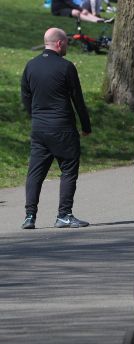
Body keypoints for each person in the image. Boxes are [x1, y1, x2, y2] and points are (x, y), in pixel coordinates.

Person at [20, 28, 92, 230]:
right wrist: (86, 126)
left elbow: (25, 96)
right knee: (68, 170)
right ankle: (64, 215)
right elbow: (78, 99)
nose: (67, 46)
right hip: (63, 128)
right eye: (66, 43)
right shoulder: (66, 67)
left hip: (39, 129)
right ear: (59, 44)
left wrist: (35, 116)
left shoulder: (30, 66)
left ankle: (29, 216)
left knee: (35, 172)